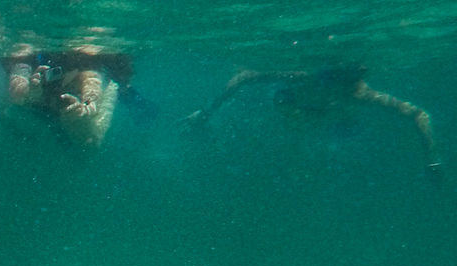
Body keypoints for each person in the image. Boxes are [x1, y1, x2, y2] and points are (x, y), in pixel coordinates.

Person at [184, 64, 441, 179]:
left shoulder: (359, 93)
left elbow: (419, 114)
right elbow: (245, 76)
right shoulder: (305, 78)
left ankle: (310, 152)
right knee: (299, 118)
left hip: (321, 113)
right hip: (292, 104)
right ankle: (298, 155)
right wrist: (206, 112)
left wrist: (431, 158)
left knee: (340, 125)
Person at [2, 43, 136, 148]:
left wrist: (87, 106)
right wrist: (29, 93)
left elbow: (91, 80)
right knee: (13, 112)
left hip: (73, 108)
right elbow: (18, 82)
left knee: (90, 142)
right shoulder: (29, 56)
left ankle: (125, 91)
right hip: (46, 105)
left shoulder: (86, 61)